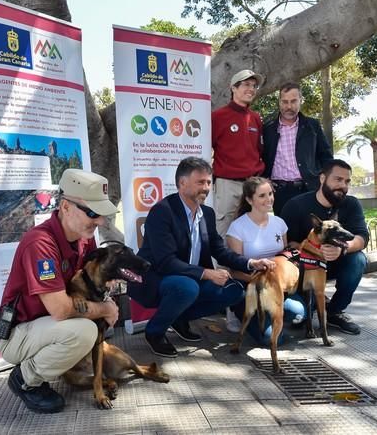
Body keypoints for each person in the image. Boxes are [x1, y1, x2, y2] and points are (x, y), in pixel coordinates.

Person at [0, 169, 119, 414]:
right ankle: (25, 379)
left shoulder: (85, 237)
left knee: (88, 328)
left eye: (103, 215)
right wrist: (106, 308)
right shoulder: (40, 242)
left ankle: (47, 368)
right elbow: (61, 309)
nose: (100, 222)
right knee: (85, 330)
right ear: (65, 207)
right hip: (18, 332)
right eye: (93, 213)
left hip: (47, 326)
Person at [128, 157, 275, 358]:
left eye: (208, 182)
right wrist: (207, 273)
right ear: (182, 183)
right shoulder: (162, 211)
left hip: (190, 277)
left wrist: (251, 263)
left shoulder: (206, 213)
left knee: (234, 291)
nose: (206, 187)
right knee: (187, 287)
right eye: (200, 182)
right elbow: (165, 261)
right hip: (157, 278)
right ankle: (154, 332)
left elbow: (220, 250)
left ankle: (178, 319)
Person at [281, 159, 369, 335]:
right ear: (322, 178)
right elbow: (287, 243)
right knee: (298, 315)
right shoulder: (296, 205)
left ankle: (335, 311)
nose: (343, 185)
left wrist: (343, 248)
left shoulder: (351, 204)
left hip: (336, 262)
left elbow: (362, 237)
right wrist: (315, 251)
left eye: (347, 181)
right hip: (304, 268)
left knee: (358, 260)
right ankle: (309, 307)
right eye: (338, 179)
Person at [224, 177, 306, 341]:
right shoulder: (237, 227)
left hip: (277, 286)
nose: (269, 199)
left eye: (270, 194)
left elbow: (283, 257)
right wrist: (263, 281)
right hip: (251, 288)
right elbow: (234, 271)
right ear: (249, 199)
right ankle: (239, 313)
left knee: (299, 313)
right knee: (271, 339)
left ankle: (275, 317)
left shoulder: (280, 223)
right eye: (262, 196)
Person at [262, 82, 333, 216]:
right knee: (285, 233)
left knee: (312, 232)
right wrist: (264, 179)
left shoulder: (312, 126)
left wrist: (325, 181)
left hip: (309, 189)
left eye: (293, 101)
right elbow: (260, 156)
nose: (289, 106)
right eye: (285, 102)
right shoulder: (268, 128)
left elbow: (326, 156)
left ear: (301, 100)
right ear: (279, 102)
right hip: (280, 192)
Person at [211, 70, 266, 237]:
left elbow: (259, 150)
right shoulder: (218, 116)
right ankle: (221, 265)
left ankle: (248, 264)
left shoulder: (256, 118)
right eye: (246, 84)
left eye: (254, 85)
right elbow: (206, 150)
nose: (251, 89)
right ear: (233, 88)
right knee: (223, 231)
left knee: (252, 232)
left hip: (253, 185)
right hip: (227, 184)